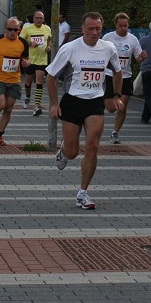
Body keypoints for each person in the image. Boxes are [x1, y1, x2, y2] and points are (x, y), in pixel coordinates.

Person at [46, 12, 122, 210]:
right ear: (83, 29)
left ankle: (83, 193)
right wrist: (54, 104)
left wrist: (116, 96)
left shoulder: (108, 48)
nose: (95, 33)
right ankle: (64, 150)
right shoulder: (70, 48)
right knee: (73, 152)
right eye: (91, 29)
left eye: (98, 28)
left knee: (92, 146)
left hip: (95, 103)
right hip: (72, 101)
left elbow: (118, 71)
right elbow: (51, 76)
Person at [0, 17, 31, 146]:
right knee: (0, 105)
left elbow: (27, 58)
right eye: (10, 29)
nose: (12, 32)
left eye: (15, 30)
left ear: (19, 30)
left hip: (14, 80)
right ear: (5, 29)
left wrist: (26, 63)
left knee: (8, 109)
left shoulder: (23, 43)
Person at [102, 12, 145, 143]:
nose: (123, 28)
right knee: (111, 108)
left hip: (126, 76)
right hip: (110, 75)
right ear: (115, 25)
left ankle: (115, 132)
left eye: (125, 25)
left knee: (122, 106)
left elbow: (137, 58)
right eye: (120, 26)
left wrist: (142, 57)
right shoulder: (108, 37)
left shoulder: (133, 39)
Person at [20, 10, 53, 115]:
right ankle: (27, 96)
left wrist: (49, 46)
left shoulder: (47, 28)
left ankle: (37, 106)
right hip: (29, 59)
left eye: (41, 18)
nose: (39, 20)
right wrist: (30, 43)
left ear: (43, 20)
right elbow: (20, 41)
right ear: (33, 19)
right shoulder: (27, 28)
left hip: (42, 59)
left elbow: (49, 39)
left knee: (39, 80)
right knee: (28, 82)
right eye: (37, 18)